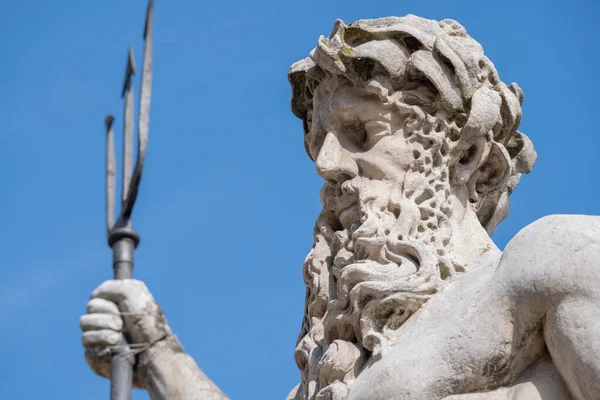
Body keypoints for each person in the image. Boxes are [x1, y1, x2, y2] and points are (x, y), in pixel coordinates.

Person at [80, 15, 600, 400]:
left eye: (361, 133)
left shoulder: (553, 263)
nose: (329, 164)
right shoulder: (332, 373)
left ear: (463, 155)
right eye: (319, 143)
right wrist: (157, 354)